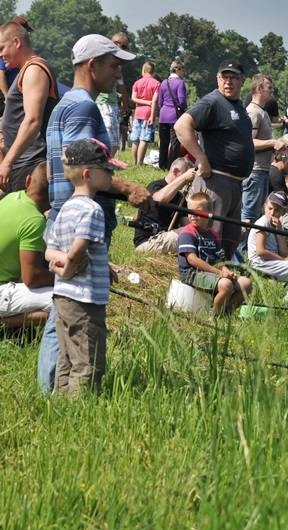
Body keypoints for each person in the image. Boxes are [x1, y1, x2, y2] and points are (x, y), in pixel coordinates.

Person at [37, 33, 149, 394]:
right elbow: (84, 167)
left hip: (62, 215)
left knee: (62, 308)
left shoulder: (64, 104)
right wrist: (129, 187)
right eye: (114, 65)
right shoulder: (84, 106)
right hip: (79, 220)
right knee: (71, 313)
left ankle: (53, 388)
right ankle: (58, 388)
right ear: (92, 65)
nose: (119, 74)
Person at [45, 138, 121, 395]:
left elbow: (50, 249)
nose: (111, 174)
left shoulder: (66, 207)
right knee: (89, 360)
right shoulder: (93, 210)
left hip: (63, 297)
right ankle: (81, 406)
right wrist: (67, 267)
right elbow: (79, 248)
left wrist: (61, 267)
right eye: (107, 170)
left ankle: (60, 404)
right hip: (85, 299)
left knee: (67, 356)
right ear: (88, 174)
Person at [174, 58, 255, 259]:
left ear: (242, 80)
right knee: (209, 240)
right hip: (215, 182)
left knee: (229, 242)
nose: (228, 82)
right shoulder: (212, 101)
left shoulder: (238, 106)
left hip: (235, 186)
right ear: (218, 79)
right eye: (224, 77)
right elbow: (181, 125)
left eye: (233, 78)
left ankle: (223, 281)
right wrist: (200, 157)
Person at [0, 17, 59, 193]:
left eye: (2, 48)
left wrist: (8, 162)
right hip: (22, 162)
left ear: (17, 42)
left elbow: (33, 120)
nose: (0, 55)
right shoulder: (26, 70)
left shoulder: (34, 69)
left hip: (29, 163)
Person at [178, 192, 252, 314]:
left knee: (246, 284)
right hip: (192, 273)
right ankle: (214, 316)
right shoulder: (187, 233)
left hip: (211, 272)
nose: (193, 215)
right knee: (226, 285)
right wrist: (219, 273)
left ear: (209, 214)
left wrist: (226, 271)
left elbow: (218, 260)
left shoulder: (213, 235)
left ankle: (226, 312)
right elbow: (192, 260)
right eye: (190, 211)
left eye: (198, 212)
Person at [0, 162, 54, 328]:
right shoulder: (34, 220)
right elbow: (31, 278)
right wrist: (67, 277)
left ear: (28, 180)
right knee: (66, 301)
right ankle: (4, 323)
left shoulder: (11, 197)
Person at [241, 74, 287, 225]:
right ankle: (243, 248)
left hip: (262, 170)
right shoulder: (253, 112)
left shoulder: (262, 111)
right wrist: (273, 142)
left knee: (256, 213)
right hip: (254, 171)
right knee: (249, 215)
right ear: (259, 89)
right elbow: (248, 142)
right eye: (269, 88)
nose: (272, 91)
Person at [132, 157, 196, 253]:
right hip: (148, 242)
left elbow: (187, 225)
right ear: (175, 171)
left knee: (194, 233)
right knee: (186, 235)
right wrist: (184, 177)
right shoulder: (155, 186)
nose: (187, 182)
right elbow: (159, 199)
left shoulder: (180, 198)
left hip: (167, 238)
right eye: (185, 178)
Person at [94, 32, 130, 156]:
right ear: (115, 44)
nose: (126, 49)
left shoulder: (118, 64)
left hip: (113, 104)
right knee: (107, 138)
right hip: (101, 102)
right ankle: (101, 165)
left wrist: (125, 103)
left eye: (126, 47)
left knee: (114, 142)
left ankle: (107, 166)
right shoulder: (104, 59)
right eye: (124, 46)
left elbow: (121, 85)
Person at [157, 60, 187, 169]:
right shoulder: (180, 83)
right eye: (183, 69)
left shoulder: (164, 82)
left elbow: (160, 101)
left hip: (163, 115)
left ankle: (162, 164)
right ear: (177, 69)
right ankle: (172, 165)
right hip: (175, 116)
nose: (184, 72)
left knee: (164, 142)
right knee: (175, 143)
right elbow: (182, 100)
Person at [129, 60, 160, 165]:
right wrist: (152, 115)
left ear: (144, 70)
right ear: (153, 71)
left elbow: (133, 98)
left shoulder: (137, 83)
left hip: (137, 113)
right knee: (144, 139)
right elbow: (154, 101)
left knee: (135, 139)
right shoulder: (156, 83)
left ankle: (134, 162)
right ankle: (140, 162)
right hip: (148, 113)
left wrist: (143, 101)